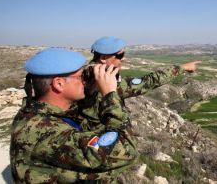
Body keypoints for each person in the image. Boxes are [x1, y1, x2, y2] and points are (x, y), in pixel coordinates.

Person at [10, 48, 138, 183]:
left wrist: (92, 90)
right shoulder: (42, 130)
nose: (84, 81)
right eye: (81, 77)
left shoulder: (42, 112)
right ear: (59, 84)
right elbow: (125, 148)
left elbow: (88, 127)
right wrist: (109, 95)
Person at [79, 36, 200, 130]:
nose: (123, 59)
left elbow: (147, 81)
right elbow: (149, 81)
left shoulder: (85, 73)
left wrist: (181, 68)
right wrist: (182, 68)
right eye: (120, 55)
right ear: (104, 58)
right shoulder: (101, 80)